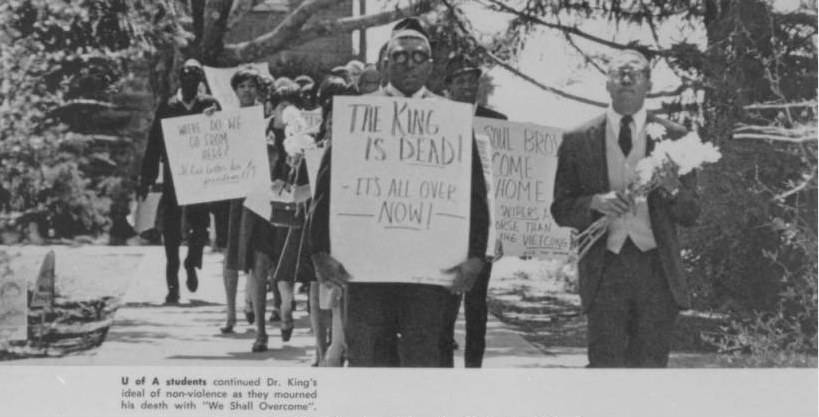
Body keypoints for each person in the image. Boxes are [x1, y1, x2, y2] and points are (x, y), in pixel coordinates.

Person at [309, 17, 489, 367]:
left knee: (424, 358)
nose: (410, 63)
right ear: (385, 63)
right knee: (369, 355)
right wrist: (319, 251)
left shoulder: (450, 120)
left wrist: (475, 256)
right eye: (401, 56)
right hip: (367, 268)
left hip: (431, 270)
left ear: (431, 66)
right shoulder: (358, 116)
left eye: (419, 56)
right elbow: (326, 187)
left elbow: (475, 194)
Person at [550, 50, 700, 368]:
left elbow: (691, 213)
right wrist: (593, 202)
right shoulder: (577, 139)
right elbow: (560, 209)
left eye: (636, 73)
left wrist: (673, 188)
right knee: (605, 370)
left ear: (649, 84)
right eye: (619, 73)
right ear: (607, 83)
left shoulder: (676, 137)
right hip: (605, 270)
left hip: (656, 271)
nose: (627, 80)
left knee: (649, 371)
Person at [443, 53, 507, 368]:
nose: (468, 85)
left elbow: (510, 180)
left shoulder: (497, 122)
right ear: (448, 86)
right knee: (443, 300)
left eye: (472, 79)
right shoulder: (436, 117)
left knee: (477, 303)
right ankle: (440, 363)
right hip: (443, 222)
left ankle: (474, 368)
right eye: (460, 80)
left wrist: (506, 230)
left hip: (483, 224)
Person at [139, 59, 219, 304]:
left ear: (201, 82)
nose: (190, 83)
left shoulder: (210, 105)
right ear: (180, 80)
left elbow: (223, 139)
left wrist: (213, 119)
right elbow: (154, 145)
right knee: (170, 231)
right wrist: (147, 177)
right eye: (186, 78)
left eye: (196, 78)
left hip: (201, 176)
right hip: (174, 176)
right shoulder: (169, 107)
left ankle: (192, 261)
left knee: (200, 226)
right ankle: (172, 286)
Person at [220, 66, 265, 335]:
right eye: (242, 86)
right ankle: (230, 313)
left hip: (259, 193)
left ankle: (256, 313)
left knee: (258, 256)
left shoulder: (267, 118)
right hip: (233, 194)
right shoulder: (227, 118)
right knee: (230, 254)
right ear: (235, 91)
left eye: (251, 86)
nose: (247, 91)